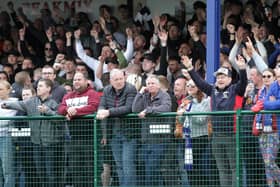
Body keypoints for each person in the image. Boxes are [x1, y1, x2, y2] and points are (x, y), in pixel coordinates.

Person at [181, 54, 247, 187]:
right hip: (216, 136)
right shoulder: (212, 90)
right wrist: (189, 68)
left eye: (223, 76)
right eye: (218, 77)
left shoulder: (236, 89)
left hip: (233, 135)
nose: (220, 79)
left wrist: (242, 69)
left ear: (230, 79)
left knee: (235, 169)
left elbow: (244, 83)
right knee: (222, 170)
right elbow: (200, 83)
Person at [2, 79, 64, 187]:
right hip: (36, 144)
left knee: (52, 175)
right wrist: (7, 104)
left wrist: (48, 112)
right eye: (38, 86)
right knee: (41, 174)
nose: (38, 88)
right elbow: (19, 104)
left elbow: (61, 121)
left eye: (41, 86)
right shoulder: (31, 102)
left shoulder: (54, 103)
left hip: (51, 144)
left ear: (48, 89)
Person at [57, 72, 100, 186]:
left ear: (86, 81)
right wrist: (68, 109)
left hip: (90, 138)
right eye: (75, 80)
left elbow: (93, 107)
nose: (76, 82)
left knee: (90, 169)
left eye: (79, 79)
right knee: (75, 168)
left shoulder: (93, 93)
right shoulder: (68, 95)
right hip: (74, 139)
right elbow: (60, 109)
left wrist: (75, 111)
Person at [96, 68, 137, 186]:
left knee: (127, 164)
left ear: (124, 77)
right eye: (116, 79)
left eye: (121, 79)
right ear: (110, 81)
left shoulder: (130, 89)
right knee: (119, 165)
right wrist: (101, 111)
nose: (119, 81)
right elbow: (101, 106)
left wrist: (108, 112)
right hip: (113, 134)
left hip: (128, 134)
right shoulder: (107, 90)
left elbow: (128, 108)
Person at [132, 74, 172, 186]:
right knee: (149, 172)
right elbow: (135, 109)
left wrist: (148, 110)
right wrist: (140, 93)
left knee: (151, 170)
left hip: (159, 140)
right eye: (148, 83)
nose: (150, 85)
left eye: (153, 83)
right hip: (146, 140)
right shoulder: (145, 96)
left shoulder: (165, 96)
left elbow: (166, 108)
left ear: (159, 85)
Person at [177, 79, 210, 186]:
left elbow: (201, 120)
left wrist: (188, 111)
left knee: (200, 168)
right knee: (189, 168)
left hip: (200, 138)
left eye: (193, 85)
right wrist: (180, 115)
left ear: (199, 87)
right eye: (188, 86)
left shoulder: (205, 101)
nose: (190, 87)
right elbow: (182, 121)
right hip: (187, 138)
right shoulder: (185, 100)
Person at [0, 80, 17, 187]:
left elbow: (5, 122)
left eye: (1, 89)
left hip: (6, 137)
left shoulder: (15, 102)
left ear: (8, 90)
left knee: (7, 169)